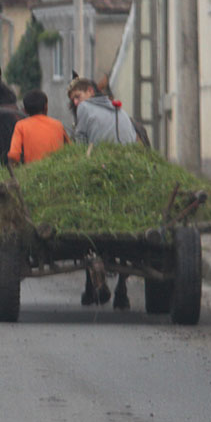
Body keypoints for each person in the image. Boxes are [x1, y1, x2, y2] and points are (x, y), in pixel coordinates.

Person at [67, 76, 140, 310]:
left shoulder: (86, 109)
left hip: (99, 170)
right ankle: (121, 287)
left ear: (90, 91)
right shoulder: (118, 108)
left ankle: (95, 270)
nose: (76, 103)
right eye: (74, 100)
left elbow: (80, 145)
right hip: (129, 171)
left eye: (77, 97)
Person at [6, 89, 69, 165]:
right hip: (57, 170)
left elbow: (14, 155)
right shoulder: (58, 124)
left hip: (32, 171)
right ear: (46, 107)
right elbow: (69, 148)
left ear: (25, 110)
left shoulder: (21, 126)